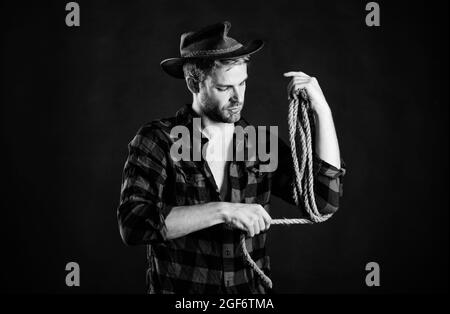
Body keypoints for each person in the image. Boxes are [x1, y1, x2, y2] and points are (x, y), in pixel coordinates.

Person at [117, 21, 346, 294]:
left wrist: (323, 111)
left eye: (243, 83)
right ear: (193, 83)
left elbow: (324, 202)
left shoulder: (259, 143)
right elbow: (134, 224)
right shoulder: (158, 140)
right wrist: (223, 211)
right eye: (225, 88)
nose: (238, 97)